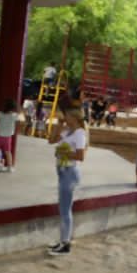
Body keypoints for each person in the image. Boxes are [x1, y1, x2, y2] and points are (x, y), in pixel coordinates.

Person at [48, 108, 88, 256]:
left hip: (69, 172)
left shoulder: (79, 134)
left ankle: (65, 244)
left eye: (67, 116)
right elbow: (51, 140)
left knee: (65, 209)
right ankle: (63, 240)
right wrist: (58, 124)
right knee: (63, 208)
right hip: (62, 170)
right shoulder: (68, 132)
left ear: (74, 118)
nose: (65, 117)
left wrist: (63, 153)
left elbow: (80, 156)